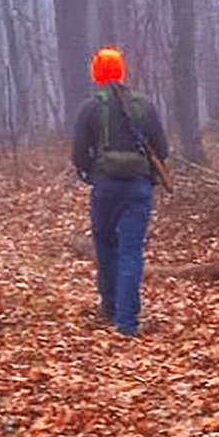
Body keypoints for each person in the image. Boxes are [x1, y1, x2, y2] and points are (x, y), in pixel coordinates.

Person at [71, 47, 169, 337]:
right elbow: (161, 149)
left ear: (96, 73)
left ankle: (110, 307)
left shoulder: (90, 108)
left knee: (105, 246)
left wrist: (93, 172)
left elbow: (78, 155)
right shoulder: (144, 105)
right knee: (130, 252)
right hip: (137, 187)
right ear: (121, 70)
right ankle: (126, 323)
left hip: (105, 188)